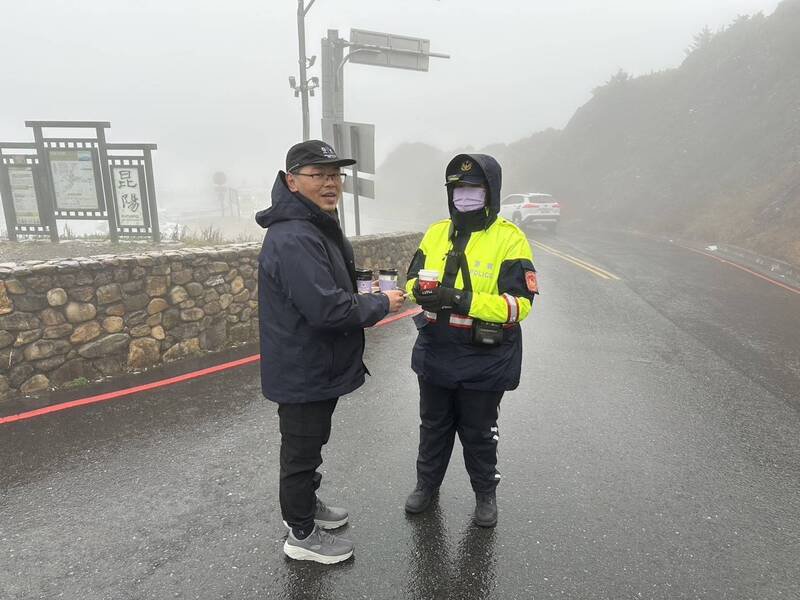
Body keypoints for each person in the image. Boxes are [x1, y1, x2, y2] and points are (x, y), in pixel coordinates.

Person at [256, 140, 405, 563]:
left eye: (334, 175)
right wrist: (381, 304)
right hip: (303, 366)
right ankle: (300, 533)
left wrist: (363, 294)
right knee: (301, 450)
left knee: (310, 444)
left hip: (315, 363)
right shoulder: (294, 236)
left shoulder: (314, 224)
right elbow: (325, 308)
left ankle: (305, 508)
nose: (329, 183)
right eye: (317, 175)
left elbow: (327, 293)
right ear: (291, 181)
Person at [404, 153, 538, 527]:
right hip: (435, 351)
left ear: (490, 192)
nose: (465, 195)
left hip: (484, 357)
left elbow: (519, 306)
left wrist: (463, 299)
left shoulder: (510, 240)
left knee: (479, 433)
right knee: (432, 426)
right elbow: (413, 281)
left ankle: (485, 495)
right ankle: (426, 486)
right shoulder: (435, 232)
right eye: (458, 188)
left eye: (473, 188)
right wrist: (422, 293)